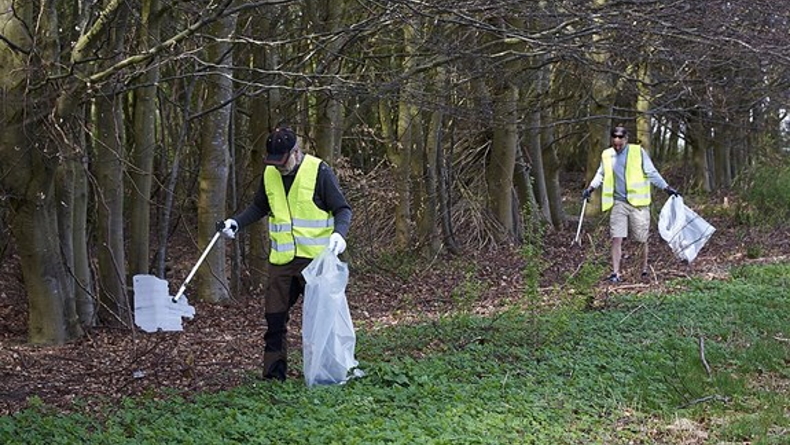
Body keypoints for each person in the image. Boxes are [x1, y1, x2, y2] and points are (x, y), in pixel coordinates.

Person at [218, 126, 352, 381]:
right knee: (274, 317)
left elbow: (342, 209)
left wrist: (339, 234)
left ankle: (329, 374)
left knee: (323, 320)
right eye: (273, 162)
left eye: (283, 161)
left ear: (296, 152)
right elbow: (259, 206)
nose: (279, 167)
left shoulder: (319, 171)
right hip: (282, 262)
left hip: (316, 262)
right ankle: (273, 376)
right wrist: (235, 223)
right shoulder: (270, 173)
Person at [581, 125, 679, 283]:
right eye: (615, 139)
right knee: (616, 237)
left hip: (638, 204)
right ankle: (615, 273)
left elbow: (651, 172)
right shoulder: (607, 155)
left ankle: (643, 270)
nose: (617, 142)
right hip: (619, 203)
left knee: (641, 239)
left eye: (621, 139)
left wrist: (666, 188)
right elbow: (601, 173)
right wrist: (590, 188)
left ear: (626, 139)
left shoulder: (637, 152)